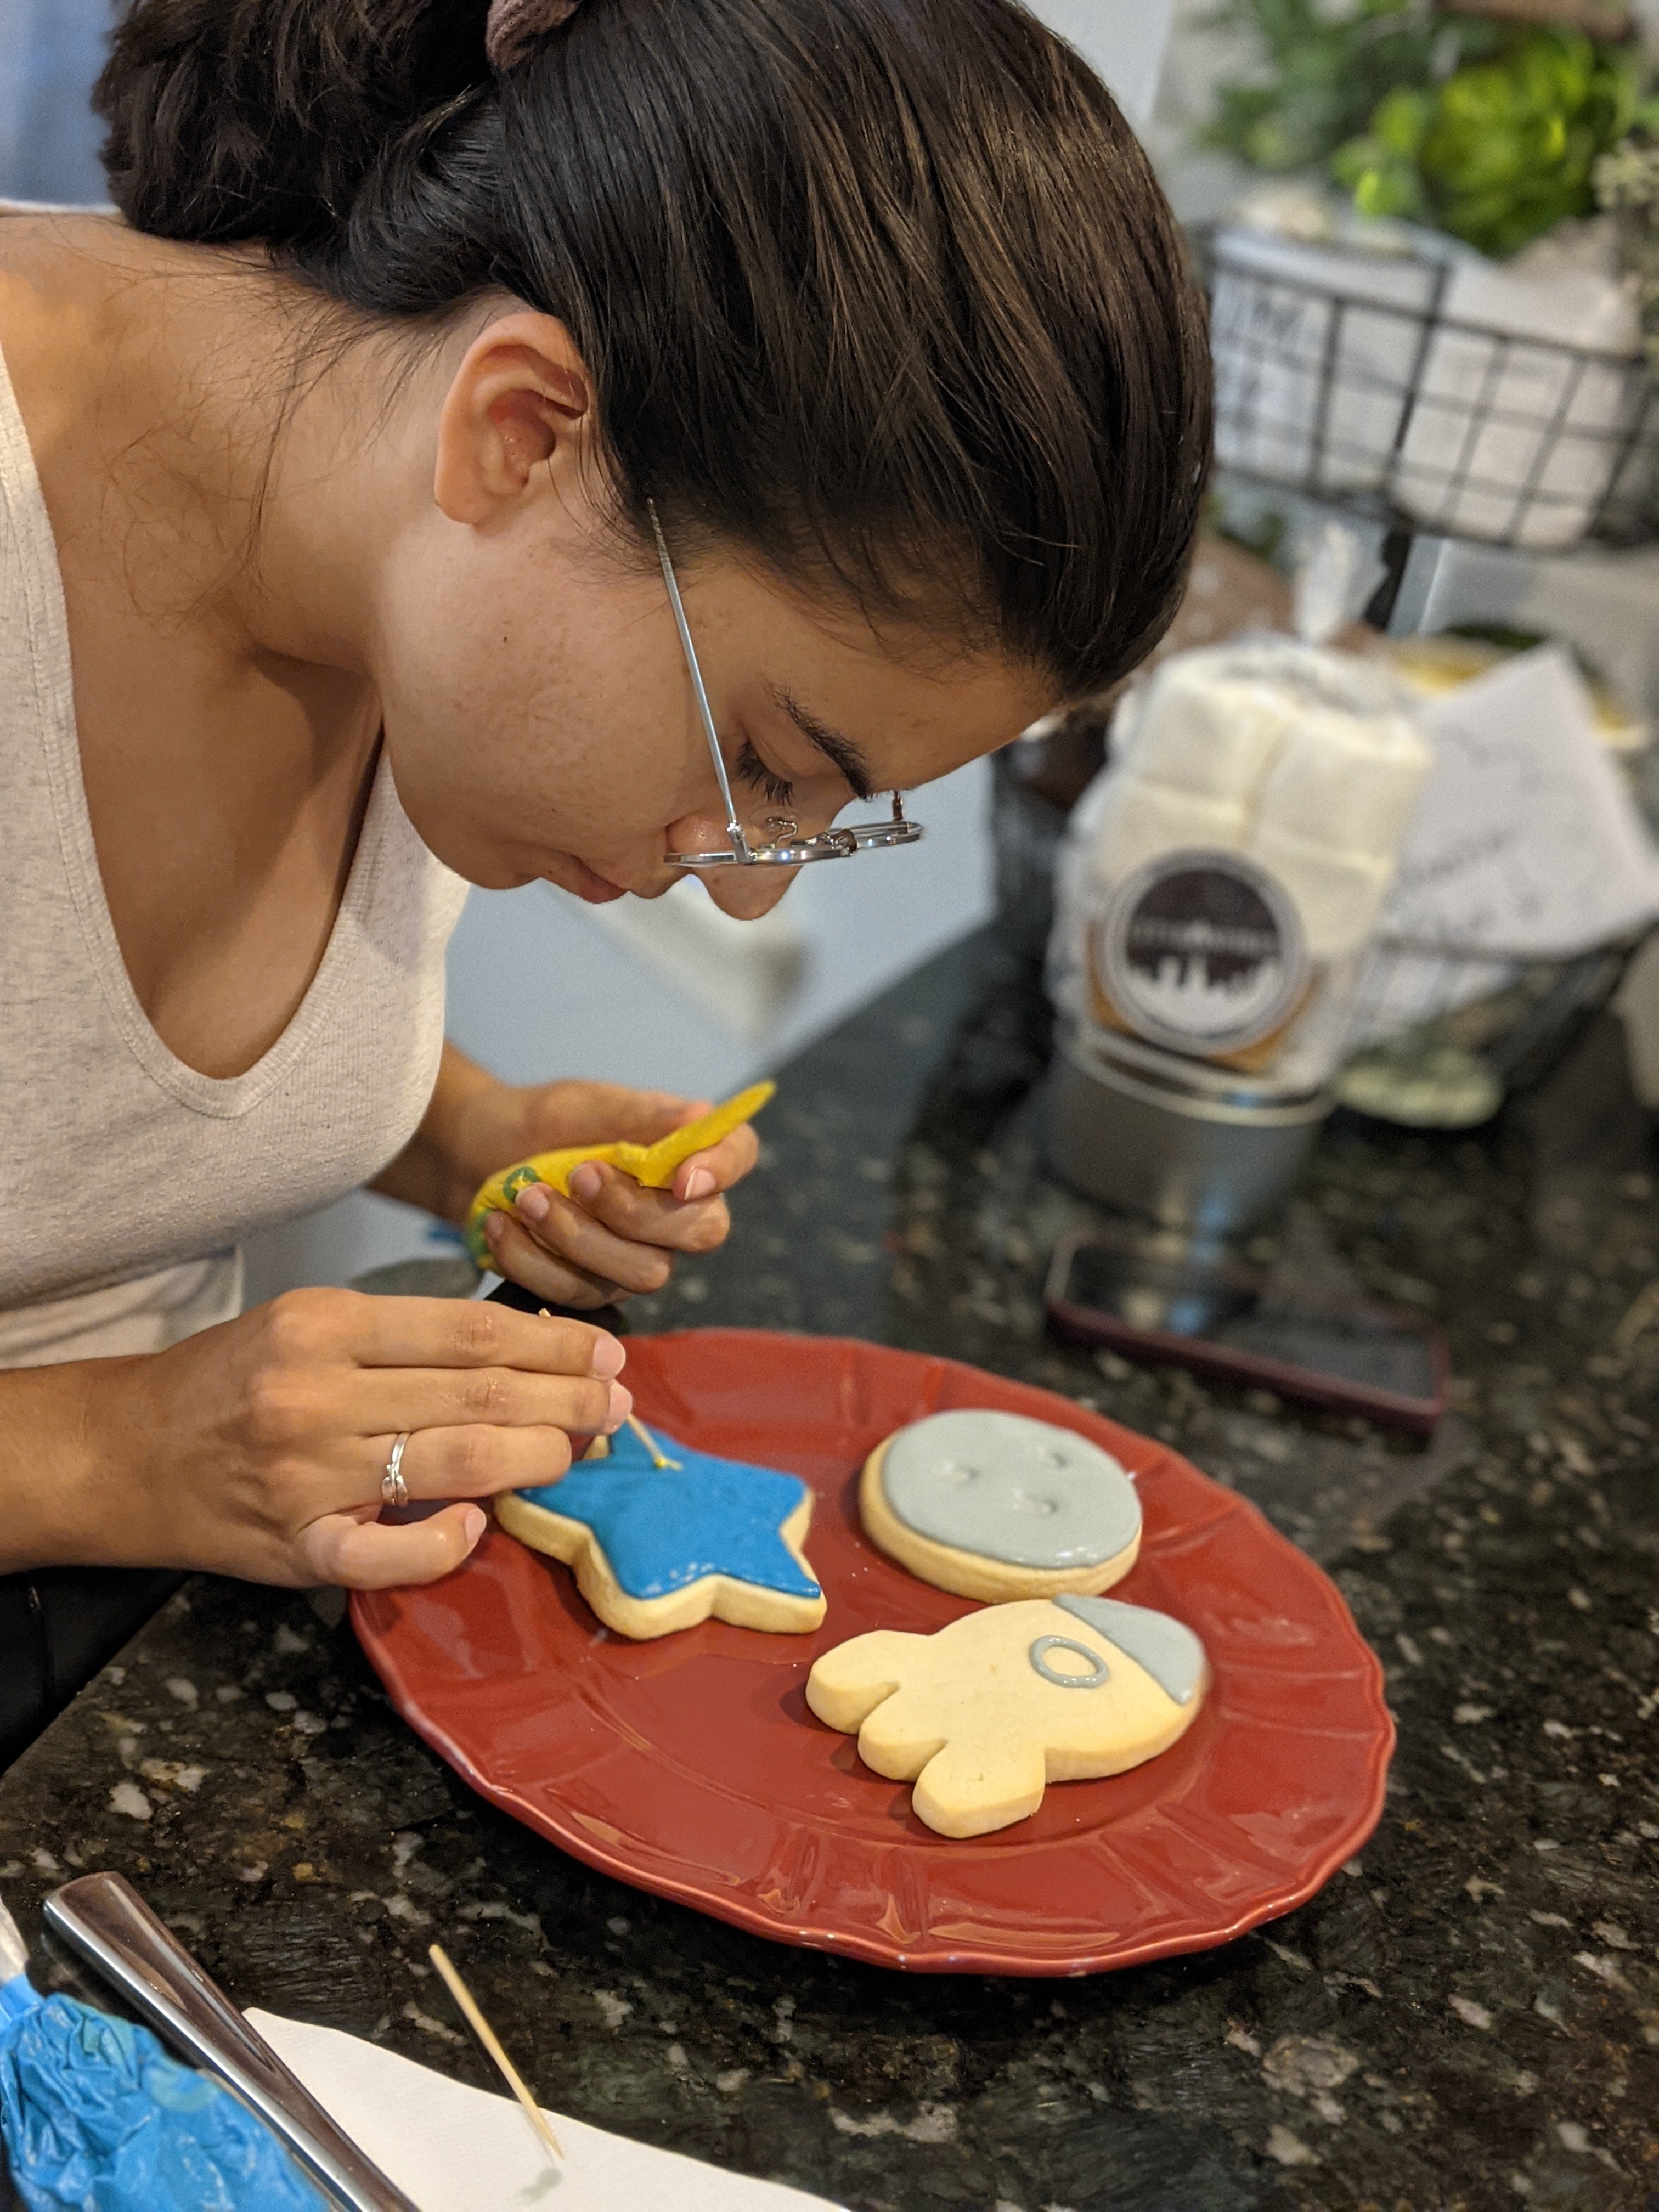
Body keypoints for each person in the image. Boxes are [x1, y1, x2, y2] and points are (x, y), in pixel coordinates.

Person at [0, 0, 1210, 1756]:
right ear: (526, 432)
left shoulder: (410, 554)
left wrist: (465, 1130)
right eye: (767, 764)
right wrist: (115, 1452)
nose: (745, 892)